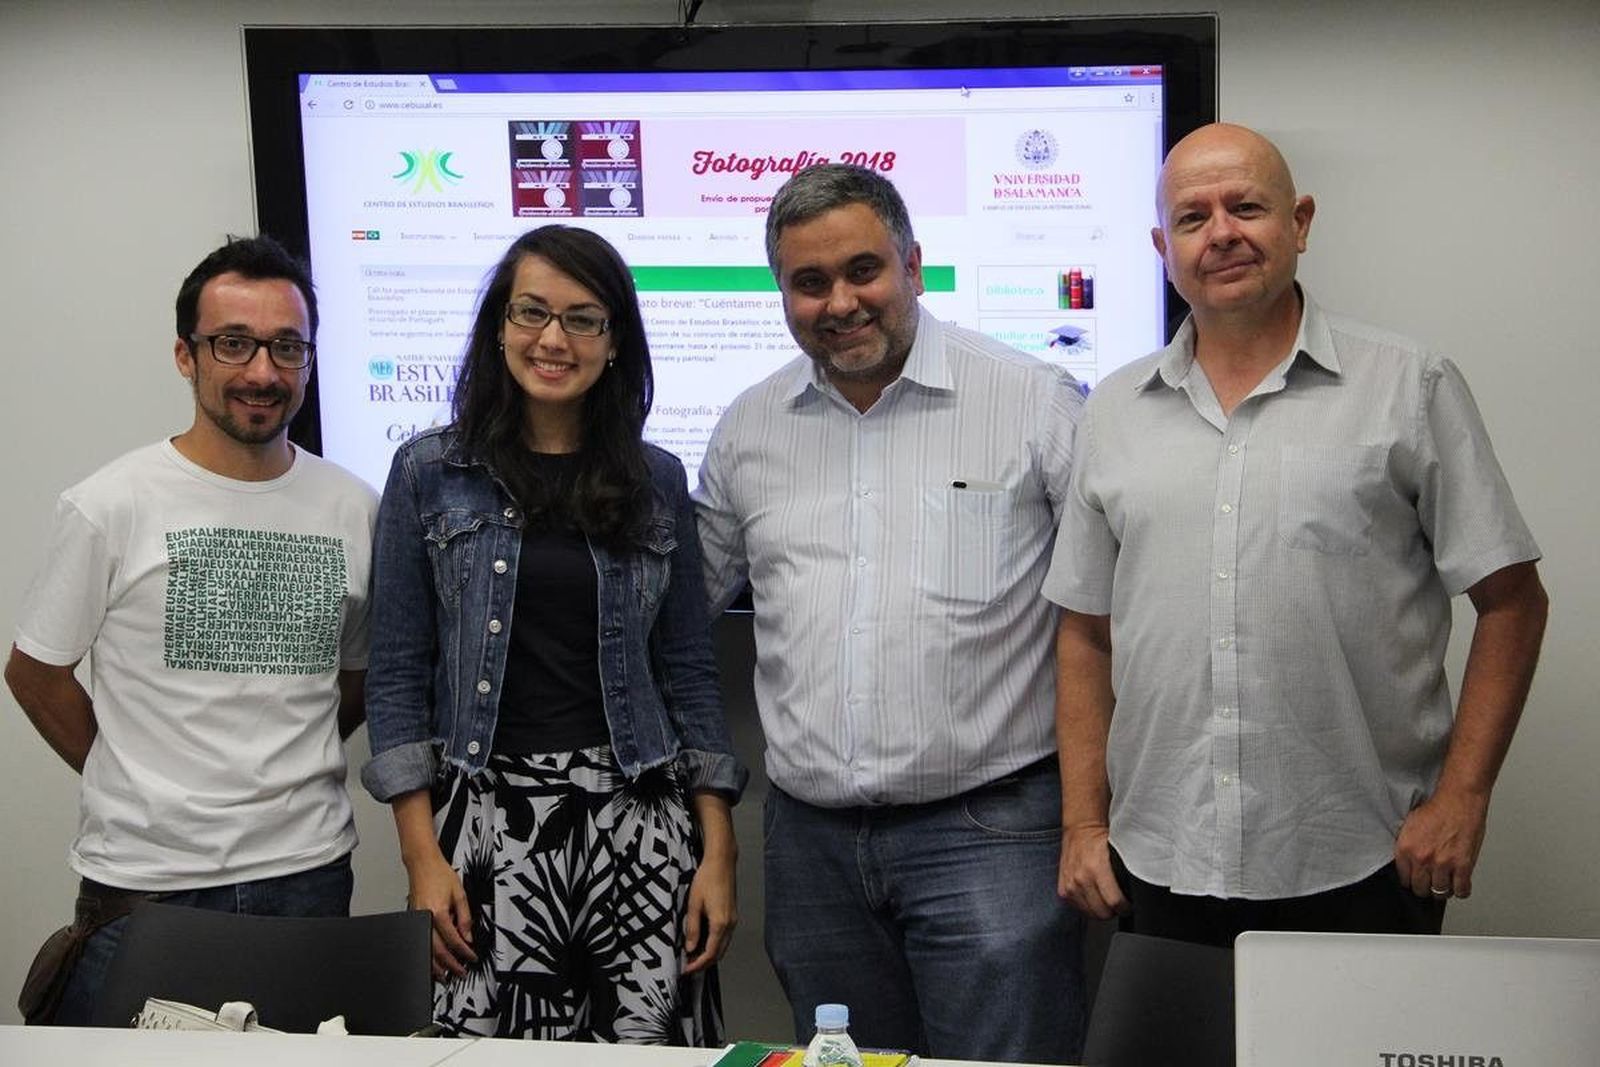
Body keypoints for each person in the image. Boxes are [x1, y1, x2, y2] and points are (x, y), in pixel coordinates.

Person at [1047, 123, 1549, 946]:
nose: (1223, 234)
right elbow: (1084, 631)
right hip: (1158, 858)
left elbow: (1514, 603)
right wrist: (1080, 824)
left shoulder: (1408, 386)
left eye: (1246, 207)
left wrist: (1462, 797)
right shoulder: (1111, 410)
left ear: (1301, 223)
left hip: (1364, 856)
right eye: (1194, 218)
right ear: (1161, 246)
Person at [694, 164, 1088, 1063]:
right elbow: (680, 609)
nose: (840, 302)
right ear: (781, 292)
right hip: (811, 843)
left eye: (863, 270)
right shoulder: (750, 427)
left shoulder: (1034, 402)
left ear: (915, 263)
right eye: (809, 282)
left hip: (991, 828)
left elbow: (1108, 615)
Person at [362, 225, 745, 1043]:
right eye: (532, 311)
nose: (552, 339)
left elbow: (688, 672)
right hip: (481, 824)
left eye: (582, 318)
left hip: (641, 824)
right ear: (499, 324)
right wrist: (421, 857)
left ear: (615, 342)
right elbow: (395, 673)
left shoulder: (657, 481)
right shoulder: (429, 472)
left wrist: (719, 852)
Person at [6, 235, 378, 1025]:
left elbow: (356, 679)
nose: (262, 372)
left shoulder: (354, 506)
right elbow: (35, 672)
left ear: (310, 359)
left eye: (287, 346)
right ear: (186, 355)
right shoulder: (110, 503)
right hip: (146, 885)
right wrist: (129, 766)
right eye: (233, 343)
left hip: (307, 877)